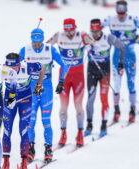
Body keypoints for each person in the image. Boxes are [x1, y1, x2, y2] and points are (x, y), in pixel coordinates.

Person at [19, 28, 69, 163]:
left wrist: (61, 81)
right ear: (31, 40)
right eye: (34, 42)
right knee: (30, 122)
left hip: (46, 88)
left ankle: (48, 148)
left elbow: (65, 65)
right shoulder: (25, 50)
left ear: (42, 39)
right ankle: (30, 148)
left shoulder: (50, 50)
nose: (36, 45)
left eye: (39, 42)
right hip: (31, 90)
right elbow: (16, 68)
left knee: (46, 120)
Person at [103, 0, 139, 123]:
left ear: (126, 10)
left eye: (123, 11)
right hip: (116, 57)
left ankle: (132, 111)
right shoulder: (110, 19)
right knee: (117, 85)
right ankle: (117, 110)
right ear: (116, 10)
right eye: (119, 11)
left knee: (131, 84)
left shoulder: (133, 19)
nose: (121, 14)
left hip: (130, 56)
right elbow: (97, 29)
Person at [46, 18, 86, 147]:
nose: (69, 33)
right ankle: (63, 133)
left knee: (78, 106)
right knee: (63, 107)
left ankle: (80, 133)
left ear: (75, 27)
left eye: (72, 30)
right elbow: (46, 47)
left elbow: (95, 44)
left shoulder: (82, 35)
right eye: (67, 30)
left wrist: (91, 45)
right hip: (64, 76)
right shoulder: (59, 35)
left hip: (78, 76)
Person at [83, 19, 125, 137]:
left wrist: (121, 63)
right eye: (93, 31)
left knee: (104, 98)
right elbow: (76, 50)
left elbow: (122, 47)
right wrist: (84, 49)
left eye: (97, 31)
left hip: (104, 72)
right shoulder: (86, 37)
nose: (95, 34)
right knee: (90, 98)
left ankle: (103, 124)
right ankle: (89, 124)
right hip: (91, 71)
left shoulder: (108, 38)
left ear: (101, 29)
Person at [1, 53, 42, 169]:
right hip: (9, 100)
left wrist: (39, 85)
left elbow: (42, 67)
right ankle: (6, 162)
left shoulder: (28, 67)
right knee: (7, 130)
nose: (12, 71)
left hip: (25, 100)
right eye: (10, 68)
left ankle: (24, 162)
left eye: (14, 68)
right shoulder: (2, 69)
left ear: (19, 64)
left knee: (23, 130)